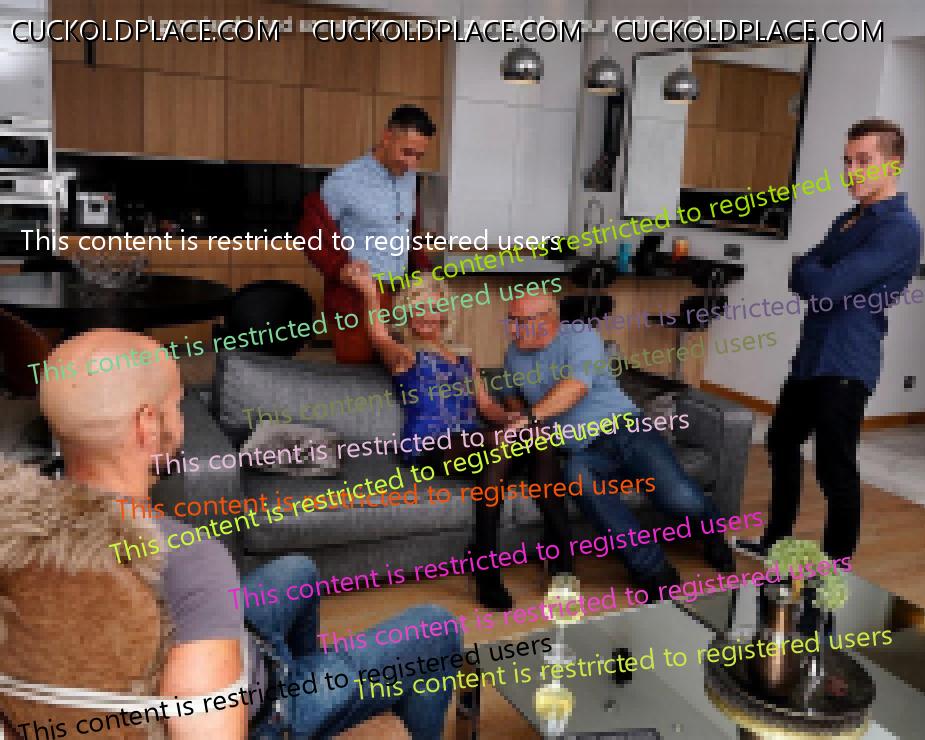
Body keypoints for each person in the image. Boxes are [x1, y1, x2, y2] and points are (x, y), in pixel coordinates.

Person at [38, 329, 460, 739]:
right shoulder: (191, 560)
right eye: (178, 405)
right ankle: (305, 701)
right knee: (435, 629)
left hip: (232, 651)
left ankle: (320, 688)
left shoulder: (32, 531)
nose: (182, 420)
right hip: (265, 713)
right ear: (147, 426)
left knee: (298, 570)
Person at [745, 118, 922, 560]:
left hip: (847, 359)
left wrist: (817, 272)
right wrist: (815, 272)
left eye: (864, 160)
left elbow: (821, 284)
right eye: (847, 161)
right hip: (812, 355)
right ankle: (776, 542)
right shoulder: (847, 220)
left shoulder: (899, 228)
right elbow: (801, 273)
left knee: (833, 467)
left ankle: (833, 571)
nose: (851, 170)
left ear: (894, 164)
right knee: (782, 440)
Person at [350, 265, 574, 610]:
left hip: (474, 443)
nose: (427, 316)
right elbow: (377, 334)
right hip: (431, 445)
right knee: (499, 445)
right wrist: (368, 292)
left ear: (445, 313)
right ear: (407, 313)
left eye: (434, 307)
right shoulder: (404, 353)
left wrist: (514, 420)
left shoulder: (465, 357)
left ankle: (560, 557)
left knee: (537, 438)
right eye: (418, 308)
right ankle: (486, 564)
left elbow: (486, 406)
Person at [501, 294, 736, 594]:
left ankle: (713, 533)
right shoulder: (513, 354)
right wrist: (521, 416)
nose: (511, 329)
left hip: (627, 430)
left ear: (547, 320)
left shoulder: (580, 337)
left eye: (519, 321)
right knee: (577, 476)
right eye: (510, 320)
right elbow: (510, 393)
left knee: (680, 500)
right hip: (582, 451)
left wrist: (531, 417)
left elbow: (575, 387)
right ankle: (654, 571)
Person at [303, 105, 436, 363]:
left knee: (399, 369)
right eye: (407, 152)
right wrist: (341, 269)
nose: (411, 163)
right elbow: (313, 233)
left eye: (419, 156)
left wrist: (422, 271)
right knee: (357, 374)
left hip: (401, 296)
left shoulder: (409, 177)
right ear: (386, 137)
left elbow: (408, 228)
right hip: (358, 299)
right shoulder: (342, 182)